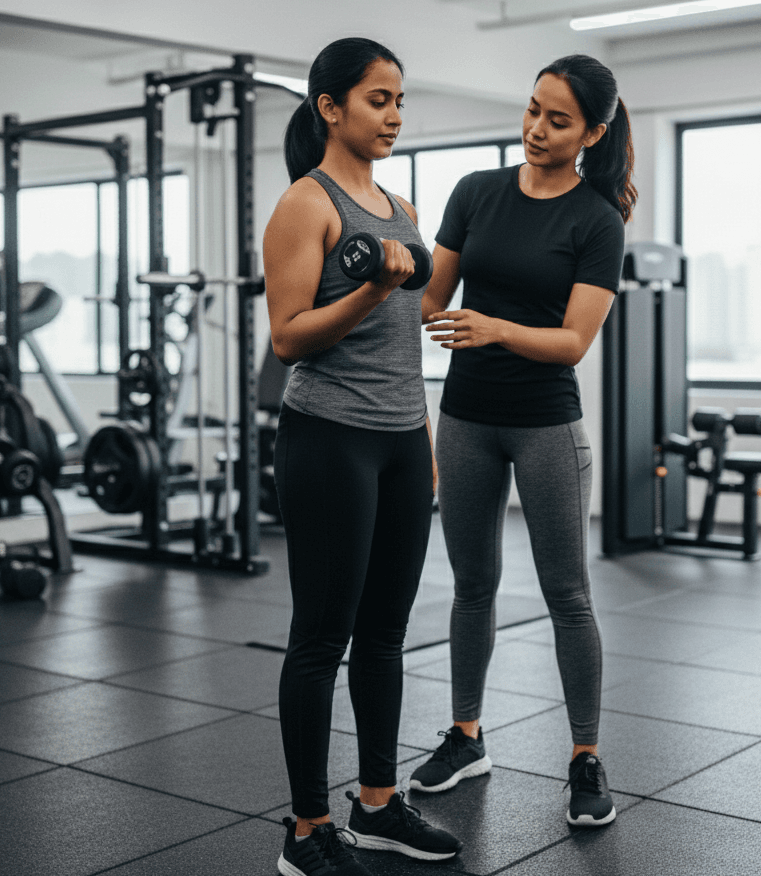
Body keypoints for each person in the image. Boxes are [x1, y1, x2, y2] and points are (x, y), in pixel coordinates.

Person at [408, 53, 636, 828]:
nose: (538, 129)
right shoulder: (476, 192)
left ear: (593, 133)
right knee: (471, 584)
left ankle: (584, 758)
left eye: (559, 120)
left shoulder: (597, 221)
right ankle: (467, 734)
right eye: (533, 110)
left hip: (545, 423)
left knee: (566, 594)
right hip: (468, 417)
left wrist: (495, 326)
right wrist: (380, 257)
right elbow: (431, 297)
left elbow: (573, 342)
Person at [263, 37, 461, 876]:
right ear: (330, 108)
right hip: (328, 441)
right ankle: (307, 829)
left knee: (385, 635)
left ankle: (378, 805)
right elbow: (288, 338)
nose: (394, 115)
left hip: (397, 443)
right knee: (321, 637)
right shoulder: (303, 206)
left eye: (399, 101)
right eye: (378, 100)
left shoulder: (402, 209)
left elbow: (399, 351)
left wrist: (423, 443)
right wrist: (377, 286)